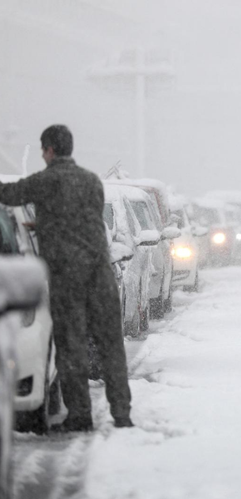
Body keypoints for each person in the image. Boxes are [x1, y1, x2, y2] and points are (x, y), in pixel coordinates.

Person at [0, 125, 133, 432]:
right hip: (100, 272)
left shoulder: (45, 180)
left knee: (72, 349)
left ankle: (80, 416)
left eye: (42, 149)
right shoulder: (90, 181)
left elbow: (10, 193)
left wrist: (48, 227)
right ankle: (122, 413)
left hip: (68, 275)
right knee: (111, 346)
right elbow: (80, 217)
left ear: (48, 150)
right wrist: (46, 224)